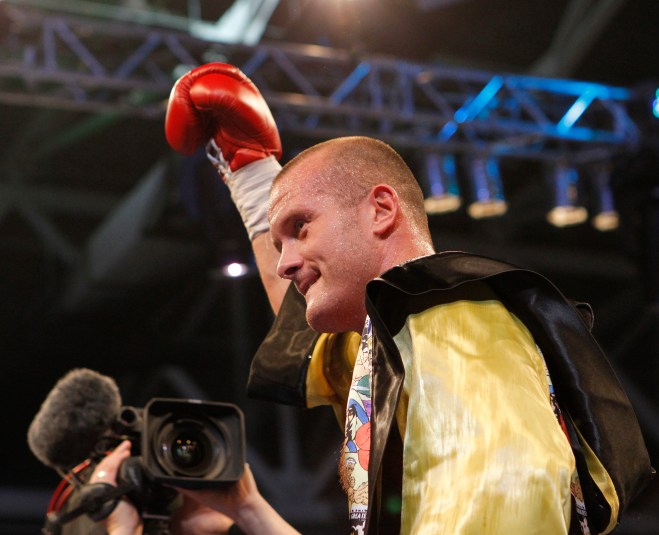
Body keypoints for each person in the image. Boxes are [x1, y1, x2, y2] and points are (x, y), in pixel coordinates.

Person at [96, 62, 652, 534]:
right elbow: (301, 334)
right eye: (280, 242)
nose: (284, 262)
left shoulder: (451, 317)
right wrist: (250, 171)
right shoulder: (401, 334)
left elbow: (513, 483)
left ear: (382, 210)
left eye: (301, 227)